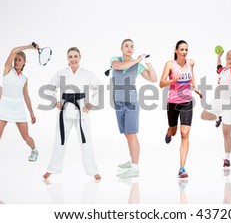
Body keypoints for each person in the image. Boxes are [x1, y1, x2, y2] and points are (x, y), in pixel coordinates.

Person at [43, 47, 102, 181]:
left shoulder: (87, 74)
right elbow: (49, 88)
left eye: (76, 56)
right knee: (59, 140)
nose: (73, 59)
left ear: (80, 58)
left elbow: (100, 87)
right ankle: (51, 169)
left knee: (86, 142)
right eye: (70, 57)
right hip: (65, 111)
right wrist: (54, 101)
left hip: (82, 111)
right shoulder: (61, 73)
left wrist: (92, 103)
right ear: (67, 59)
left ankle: (93, 171)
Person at [0, 44, 39, 173]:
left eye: (19, 60)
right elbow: (14, 50)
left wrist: (31, 113)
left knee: (26, 136)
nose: (16, 61)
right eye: (15, 59)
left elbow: (26, 96)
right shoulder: (8, 69)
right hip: (4, 107)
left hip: (18, 108)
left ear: (24, 62)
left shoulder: (25, 79)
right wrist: (30, 47)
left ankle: (34, 150)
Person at [110, 39, 157, 179]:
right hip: (118, 102)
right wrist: (137, 60)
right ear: (121, 48)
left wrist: (147, 61)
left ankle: (135, 168)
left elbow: (153, 78)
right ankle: (132, 160)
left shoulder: (138, 65)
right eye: (126, 46)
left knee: (132, 135)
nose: (129, 48)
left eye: (131, 46)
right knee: (126, 133)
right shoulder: (115, 60)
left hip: (131, 102)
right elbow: (118, 67)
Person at [159, 40, 199, 178]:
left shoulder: (191, 63)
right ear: (176, 51)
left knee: (185, 134)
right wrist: (171, 81)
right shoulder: (170, 64)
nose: (184, 52)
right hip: (173, 102)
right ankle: (169, 131)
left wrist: (196, 87)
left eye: (186, 49)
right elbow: (161, 83)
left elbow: (192, 76)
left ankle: (182, 168)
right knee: (175, 131)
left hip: (187, 102)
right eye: (181, 49)